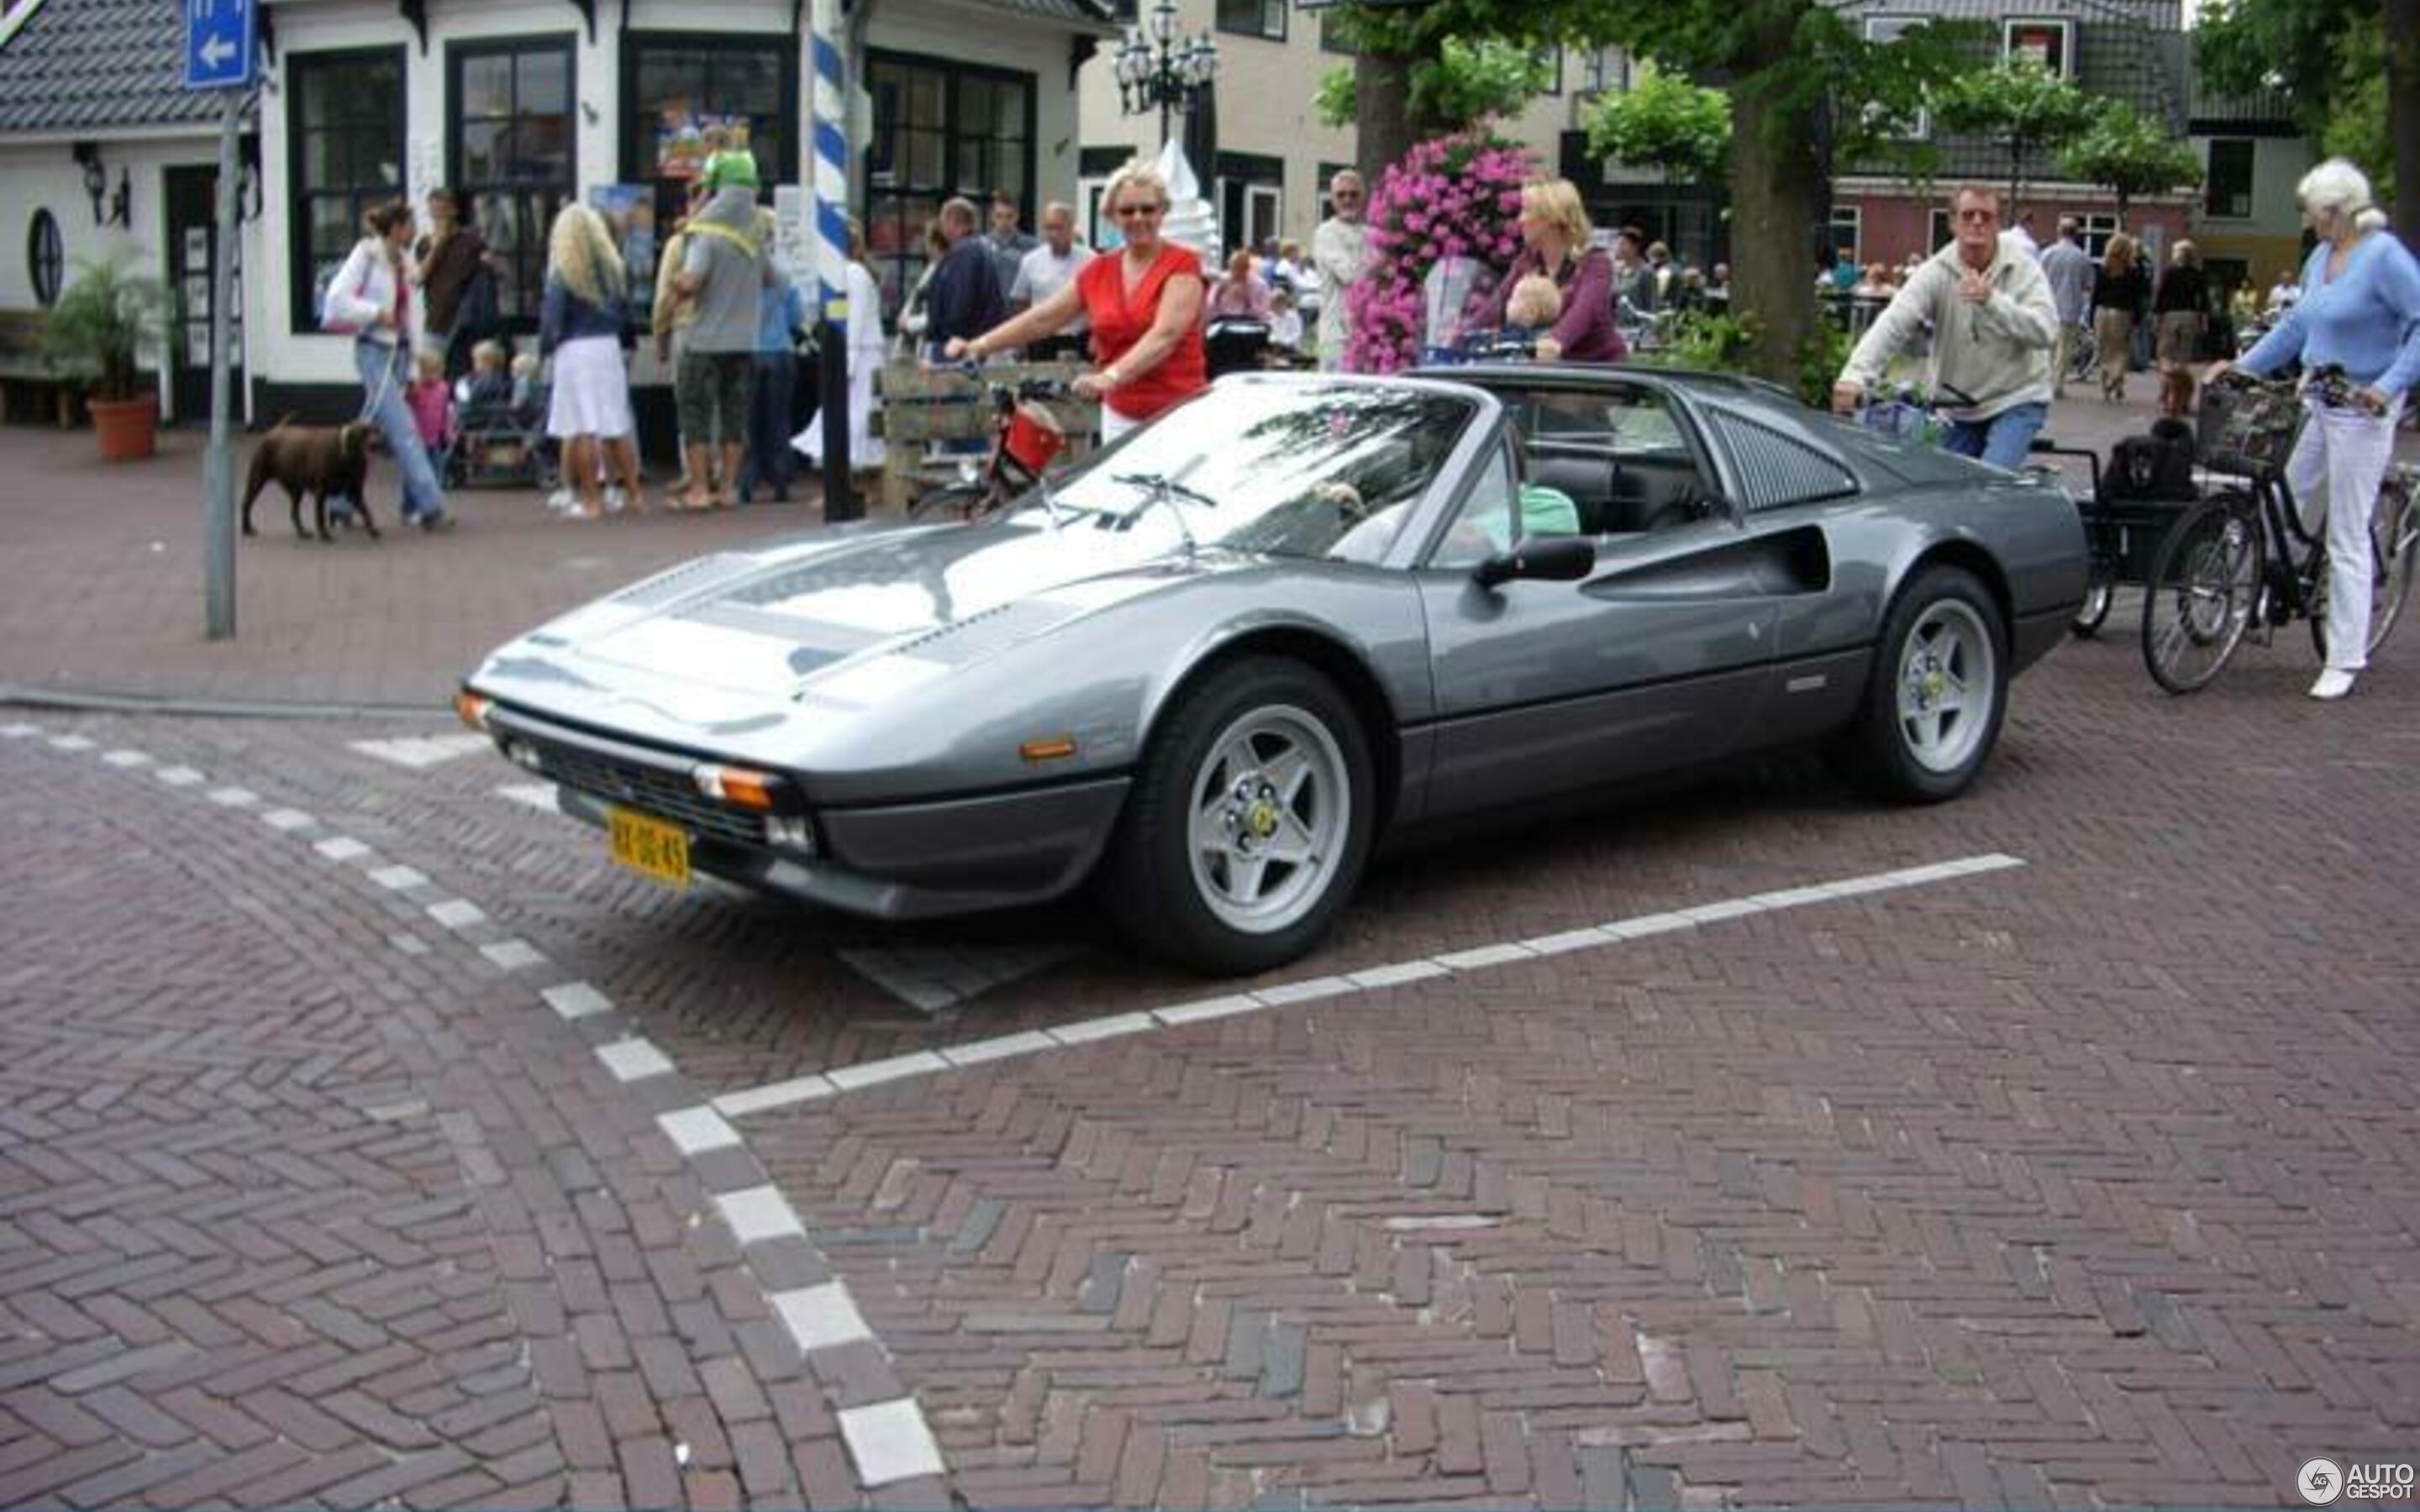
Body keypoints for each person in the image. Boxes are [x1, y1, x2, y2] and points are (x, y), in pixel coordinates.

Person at [2212, 159, 2420, 701]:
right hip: (2317, 396)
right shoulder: (2322, 256)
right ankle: (2269, 592)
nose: (2307, 220)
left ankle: (2345, 655)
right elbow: (2298, 323)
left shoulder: (2384, 258)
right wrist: (2245, 366)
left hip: (2363, 404)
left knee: (2347, 531)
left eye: (2311, 211)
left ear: (2337, 210)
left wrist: (2389, 384)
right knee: (2284, 497)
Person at [945, 160, 1207, 443]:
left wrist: (1111, 376)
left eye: (1148, 209)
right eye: (1127, 211)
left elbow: (1165, 335)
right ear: (1111, 216)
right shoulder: (1099, 269)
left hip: (1176, 412)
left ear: (1163, 211)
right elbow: (1044, 317)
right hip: (1121, 413)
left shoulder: (1182, 264)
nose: (1138, 217)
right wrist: (979, 345)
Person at [1831, 184, 2058, 470]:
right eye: (1968, 215)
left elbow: (2046, 331)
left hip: (2016, 397)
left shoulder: (2023, 267)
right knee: (1943, 486)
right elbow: (1894, 322)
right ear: (1952, 222)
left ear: (1998, 223)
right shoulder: (1936, 271)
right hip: (1960, 405)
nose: (1977, 222)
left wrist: (1993, 302)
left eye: (1986, 216)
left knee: (1991, 483)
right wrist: (1855, 375)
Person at [322, 200, 452, 529]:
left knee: (365, 430)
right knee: (405, 430)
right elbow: (337, 297)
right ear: (396, 228)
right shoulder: (367, 255)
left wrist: (438, 244)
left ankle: (338, 500)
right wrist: (375, 313)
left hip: (399, 354)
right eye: (410, 224)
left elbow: (418, 282)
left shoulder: (401, 259)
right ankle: (431, 506)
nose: (414, 231)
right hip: (374, 351)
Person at [538, 202, 645, 522]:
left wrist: (545, 349)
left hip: (576, 349)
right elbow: (625, 312)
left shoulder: (564, 273)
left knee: (582, 426)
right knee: (615, 424)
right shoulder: (613, 269)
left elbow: (552, 319)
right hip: (608, 348)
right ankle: (635, 495)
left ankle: (591, 501)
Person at [668, 175, 771, 509]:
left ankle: (699, 489)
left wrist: (676, 283)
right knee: (734, 416)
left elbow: (692, 282)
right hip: (744, 341)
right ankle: (727, 489)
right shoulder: (753, 242)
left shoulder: (706, 239)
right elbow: (776, 279)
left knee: (695, 413)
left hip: (704, 341)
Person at [1468, 178, 1623, 364]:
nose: (1520, 219)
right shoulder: (1526, 263)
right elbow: (1496, 305)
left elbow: (1585, 312)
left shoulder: (1595, 263)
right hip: (1549, 374)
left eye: (1527, 210)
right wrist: (1460, 338)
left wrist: (1557, 340)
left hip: (1597, 376)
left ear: (1552, 217)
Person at [795, 215, 891, 478]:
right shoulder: (850, 272)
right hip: (859, 354)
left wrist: (847, 363)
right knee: (852, 418)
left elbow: (856, 321)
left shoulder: (853, 273)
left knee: (857, 420)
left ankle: (852, 478)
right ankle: (849, 477)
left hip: (862, 356)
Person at [739, 212, 811, 504]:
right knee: (779, 419)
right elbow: (797, 317)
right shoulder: (782, 272)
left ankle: (748, 479)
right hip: (781, 352)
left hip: (751, 352)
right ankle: (781, 478)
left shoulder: (741, 273)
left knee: (751, 421)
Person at [653, 181, 712, 495]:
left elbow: (665, 293)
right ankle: (719, 471)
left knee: (689, 401)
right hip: (727, 328)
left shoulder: (680, 244)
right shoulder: (735, 242)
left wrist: (660, 334)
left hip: (687, 327)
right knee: (718, 401)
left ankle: (694, 472)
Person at [414, 188, 497, 381]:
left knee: (460, 377)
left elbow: (494, 272)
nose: (438, 217)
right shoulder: (425, 244)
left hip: (464, 324)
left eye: (442, 211)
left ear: (453, 211)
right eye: (434, 212)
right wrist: (438, 245)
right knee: (432, 379)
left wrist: (490, 264)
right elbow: (419, 279)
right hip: (435, 322)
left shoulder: (470, 241)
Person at [923, 197, 1007, 365]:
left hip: (957, 345)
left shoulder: (965, 253)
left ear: (951, 221)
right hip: (971, 341)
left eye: (943, 221)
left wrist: (952, 335)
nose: (942, 228)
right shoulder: (977, 249)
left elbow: (961, 298)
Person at [1011, 202, 1093, 361]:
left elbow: (1100, 302)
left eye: (1059, 228)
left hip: (1079, 338)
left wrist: (1097, 336)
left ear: (1071, 227)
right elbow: (1021, 301)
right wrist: (1021, 339)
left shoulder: (1091, 260)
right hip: (1042, 340)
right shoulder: (1031, 261)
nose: (1053, 234)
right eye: (1049, 228)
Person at [1313, 170, 1370, 371]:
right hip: (1337, 334)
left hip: (1368, 332)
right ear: (1333, 199)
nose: (1348, 200)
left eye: (1354, 194)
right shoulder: (1326, 233)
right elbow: (1351, 275)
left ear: (1363, 197)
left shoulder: (1372, 233)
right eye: (1341, 195)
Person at [2152, 239, 2210, 419]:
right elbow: (2204, 300)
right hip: (2190, 316)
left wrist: (2156, 319)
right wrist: (2203, 320)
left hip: (2171, 316)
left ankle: (2165, 396)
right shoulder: (2198, 274)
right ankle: (2181, 399)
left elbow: (2161, 296)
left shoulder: (2169, 273)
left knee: (2166, 357)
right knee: (2183, 360)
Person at [2039, 217, 2096, 398]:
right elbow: (2088, 285)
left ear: (2059, 231)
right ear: (2076, 233)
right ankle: (2057, 384)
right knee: (2065, 350)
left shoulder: (2047, 254)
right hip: (2070, 308)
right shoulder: (2082, 257)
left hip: (2047, 307)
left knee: (2047, 348)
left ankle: (2044, 382)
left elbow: (2037, 280)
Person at [2090, 233, 2149, 402]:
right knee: (2121, 350)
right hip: (2123, 313)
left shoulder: (2104, 268)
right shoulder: (2134, 271)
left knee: (2104, 350)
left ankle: (2108, 387)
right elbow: (2138, 297)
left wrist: (2091, 315)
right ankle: (2116, 377)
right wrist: (2138, 318)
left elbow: (2096, 294)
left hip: (2102, 311)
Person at [405, 348, 455, 479]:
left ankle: (434, 493)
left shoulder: (444, 388)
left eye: (434, 372)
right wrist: (410, 390)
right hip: (417, 437)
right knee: (415, 469)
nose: (430, 376)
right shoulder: (417, 389)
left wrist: (448, 432)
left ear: (441, 371)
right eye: (425, 372)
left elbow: (446, 412)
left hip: (435, 438)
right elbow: (408, 402)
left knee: (436, 467)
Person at [984, 192, 1039, 307]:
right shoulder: (982, 246)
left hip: (1020, 312)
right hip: (990, 313)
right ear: (992, 216)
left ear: (1017, 216)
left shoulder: (1032, 247)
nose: (1004, 222)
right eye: (999, 216)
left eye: (1009, 216)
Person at [1206, 249, 1274, 321]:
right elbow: (1210, 305)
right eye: (1231, 268)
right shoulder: (1222, 281)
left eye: (1238, 268)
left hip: (1250, 324)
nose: (1234, 273)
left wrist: (1248, 297)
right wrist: (1220, 295)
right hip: (1223, 322)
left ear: (1246, 268)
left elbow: (1263, 312)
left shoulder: (1260, 286)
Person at [1610, 226, 1657, 318]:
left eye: (1623, 244)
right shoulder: (1616, 270)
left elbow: (1652, 305)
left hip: (1637, 328)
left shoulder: (1646, 272)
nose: (1618, 248)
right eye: (1618, 244)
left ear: (1635, 247)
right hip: (1616, 327)